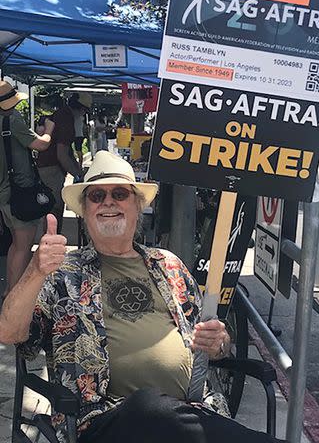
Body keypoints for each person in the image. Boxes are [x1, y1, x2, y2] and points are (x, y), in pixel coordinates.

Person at [0, 152, 285, 443]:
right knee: (148, 407)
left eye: (120, 193)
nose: (108, 202)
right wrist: (34, 271)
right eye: (96, 195)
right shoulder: (61, 273)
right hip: (102, 421)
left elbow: (215, 344)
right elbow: (9, 333)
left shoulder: (169, 264)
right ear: (85, 211)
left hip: (192, 411)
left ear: (138, 207)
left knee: (160, 413)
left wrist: (219, 341)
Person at [0, 81, 54, 292]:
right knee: (23, 246)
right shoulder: (11, 119)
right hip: (20, 191)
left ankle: (9, 290)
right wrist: (48, 130)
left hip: (5, 192)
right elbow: (41, 144)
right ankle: (14, 295)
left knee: (15, 244)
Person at [37, 92, 92, 233]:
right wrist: (78, 175)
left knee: (51, 208)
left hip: (47, 167)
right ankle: (51, 244)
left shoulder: (61, 114)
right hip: (51, 169)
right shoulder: (67, 120)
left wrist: (78, 170)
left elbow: (68, 152)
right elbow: (62, 154)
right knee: (54, 210)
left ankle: (50, 241)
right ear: (82, 109)